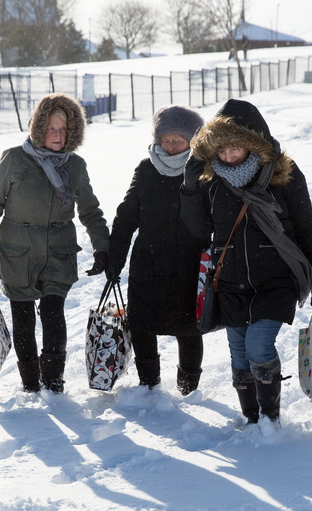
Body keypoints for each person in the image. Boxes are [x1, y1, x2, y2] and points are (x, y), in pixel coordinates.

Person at [180, 99, 312, 425]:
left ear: (253, 143)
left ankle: (270, 420)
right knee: (238, 353)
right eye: (221, 149)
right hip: (230, 281)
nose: (228, 155)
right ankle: (252, 421)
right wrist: (190, 187)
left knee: (258, 345)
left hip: (276, 280)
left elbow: (307, 226)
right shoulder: (213, 182)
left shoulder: (282, 175)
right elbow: (198, 230)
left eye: (236, 147)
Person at [0, 93, 110, 394]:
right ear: (39, 128)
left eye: (64, 129)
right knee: (22, 319)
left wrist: (102, 248)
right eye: (52, 128)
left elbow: (90, 212)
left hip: (58, 250)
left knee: (52, 312)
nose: (58, 135)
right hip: (17, 251)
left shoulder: (75, 166)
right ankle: (31, 383)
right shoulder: (14, 159)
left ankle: (54, 381)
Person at [108, 105, 206, 395]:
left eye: (179, 139)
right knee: (141, 324)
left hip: (189, 265)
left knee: (188, 329)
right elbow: (126, 216)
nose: (171, 144)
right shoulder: (146, 168)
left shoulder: (204, 171)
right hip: (148, 262)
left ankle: (188, 390)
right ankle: (149, 386)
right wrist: (115, 258)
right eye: (166, 139)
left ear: (193, 140)